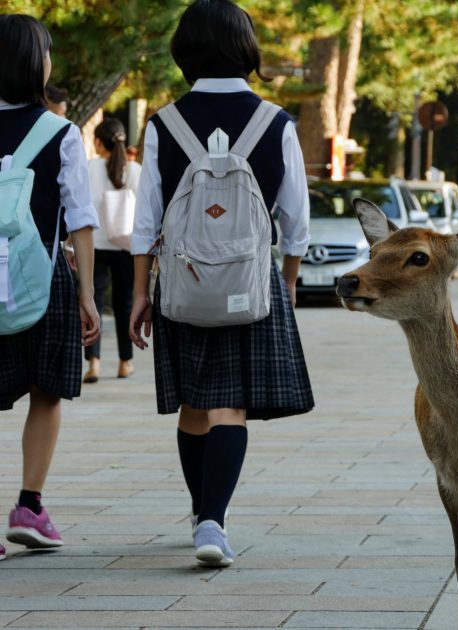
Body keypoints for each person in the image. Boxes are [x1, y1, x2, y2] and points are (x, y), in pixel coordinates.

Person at [128, 0, 314, 568]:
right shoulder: (275, 122)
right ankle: (214, 520)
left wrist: (140, 293)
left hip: (182, 288)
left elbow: (146, 221)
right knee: (229, 406)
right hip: (249, 288)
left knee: (192, 405)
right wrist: (286, 284)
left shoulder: (164, 123)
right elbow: (296, 221)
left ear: (184, 51)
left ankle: (200, 511)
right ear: (247, 48)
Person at [0, 14, 100, 560]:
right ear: (39, 64)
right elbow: (80, 218)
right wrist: (87, 294)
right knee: (46, 392)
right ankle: (29, 506)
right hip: (43, 279)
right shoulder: (60, 132)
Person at [82, 118, 142, 383]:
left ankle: (93, 363)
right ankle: (125, 362)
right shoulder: (135, 170)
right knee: (125, 304)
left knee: (91, 302)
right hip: (126, 246)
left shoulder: (89, 167)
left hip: (93, 245)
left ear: (97, 142)